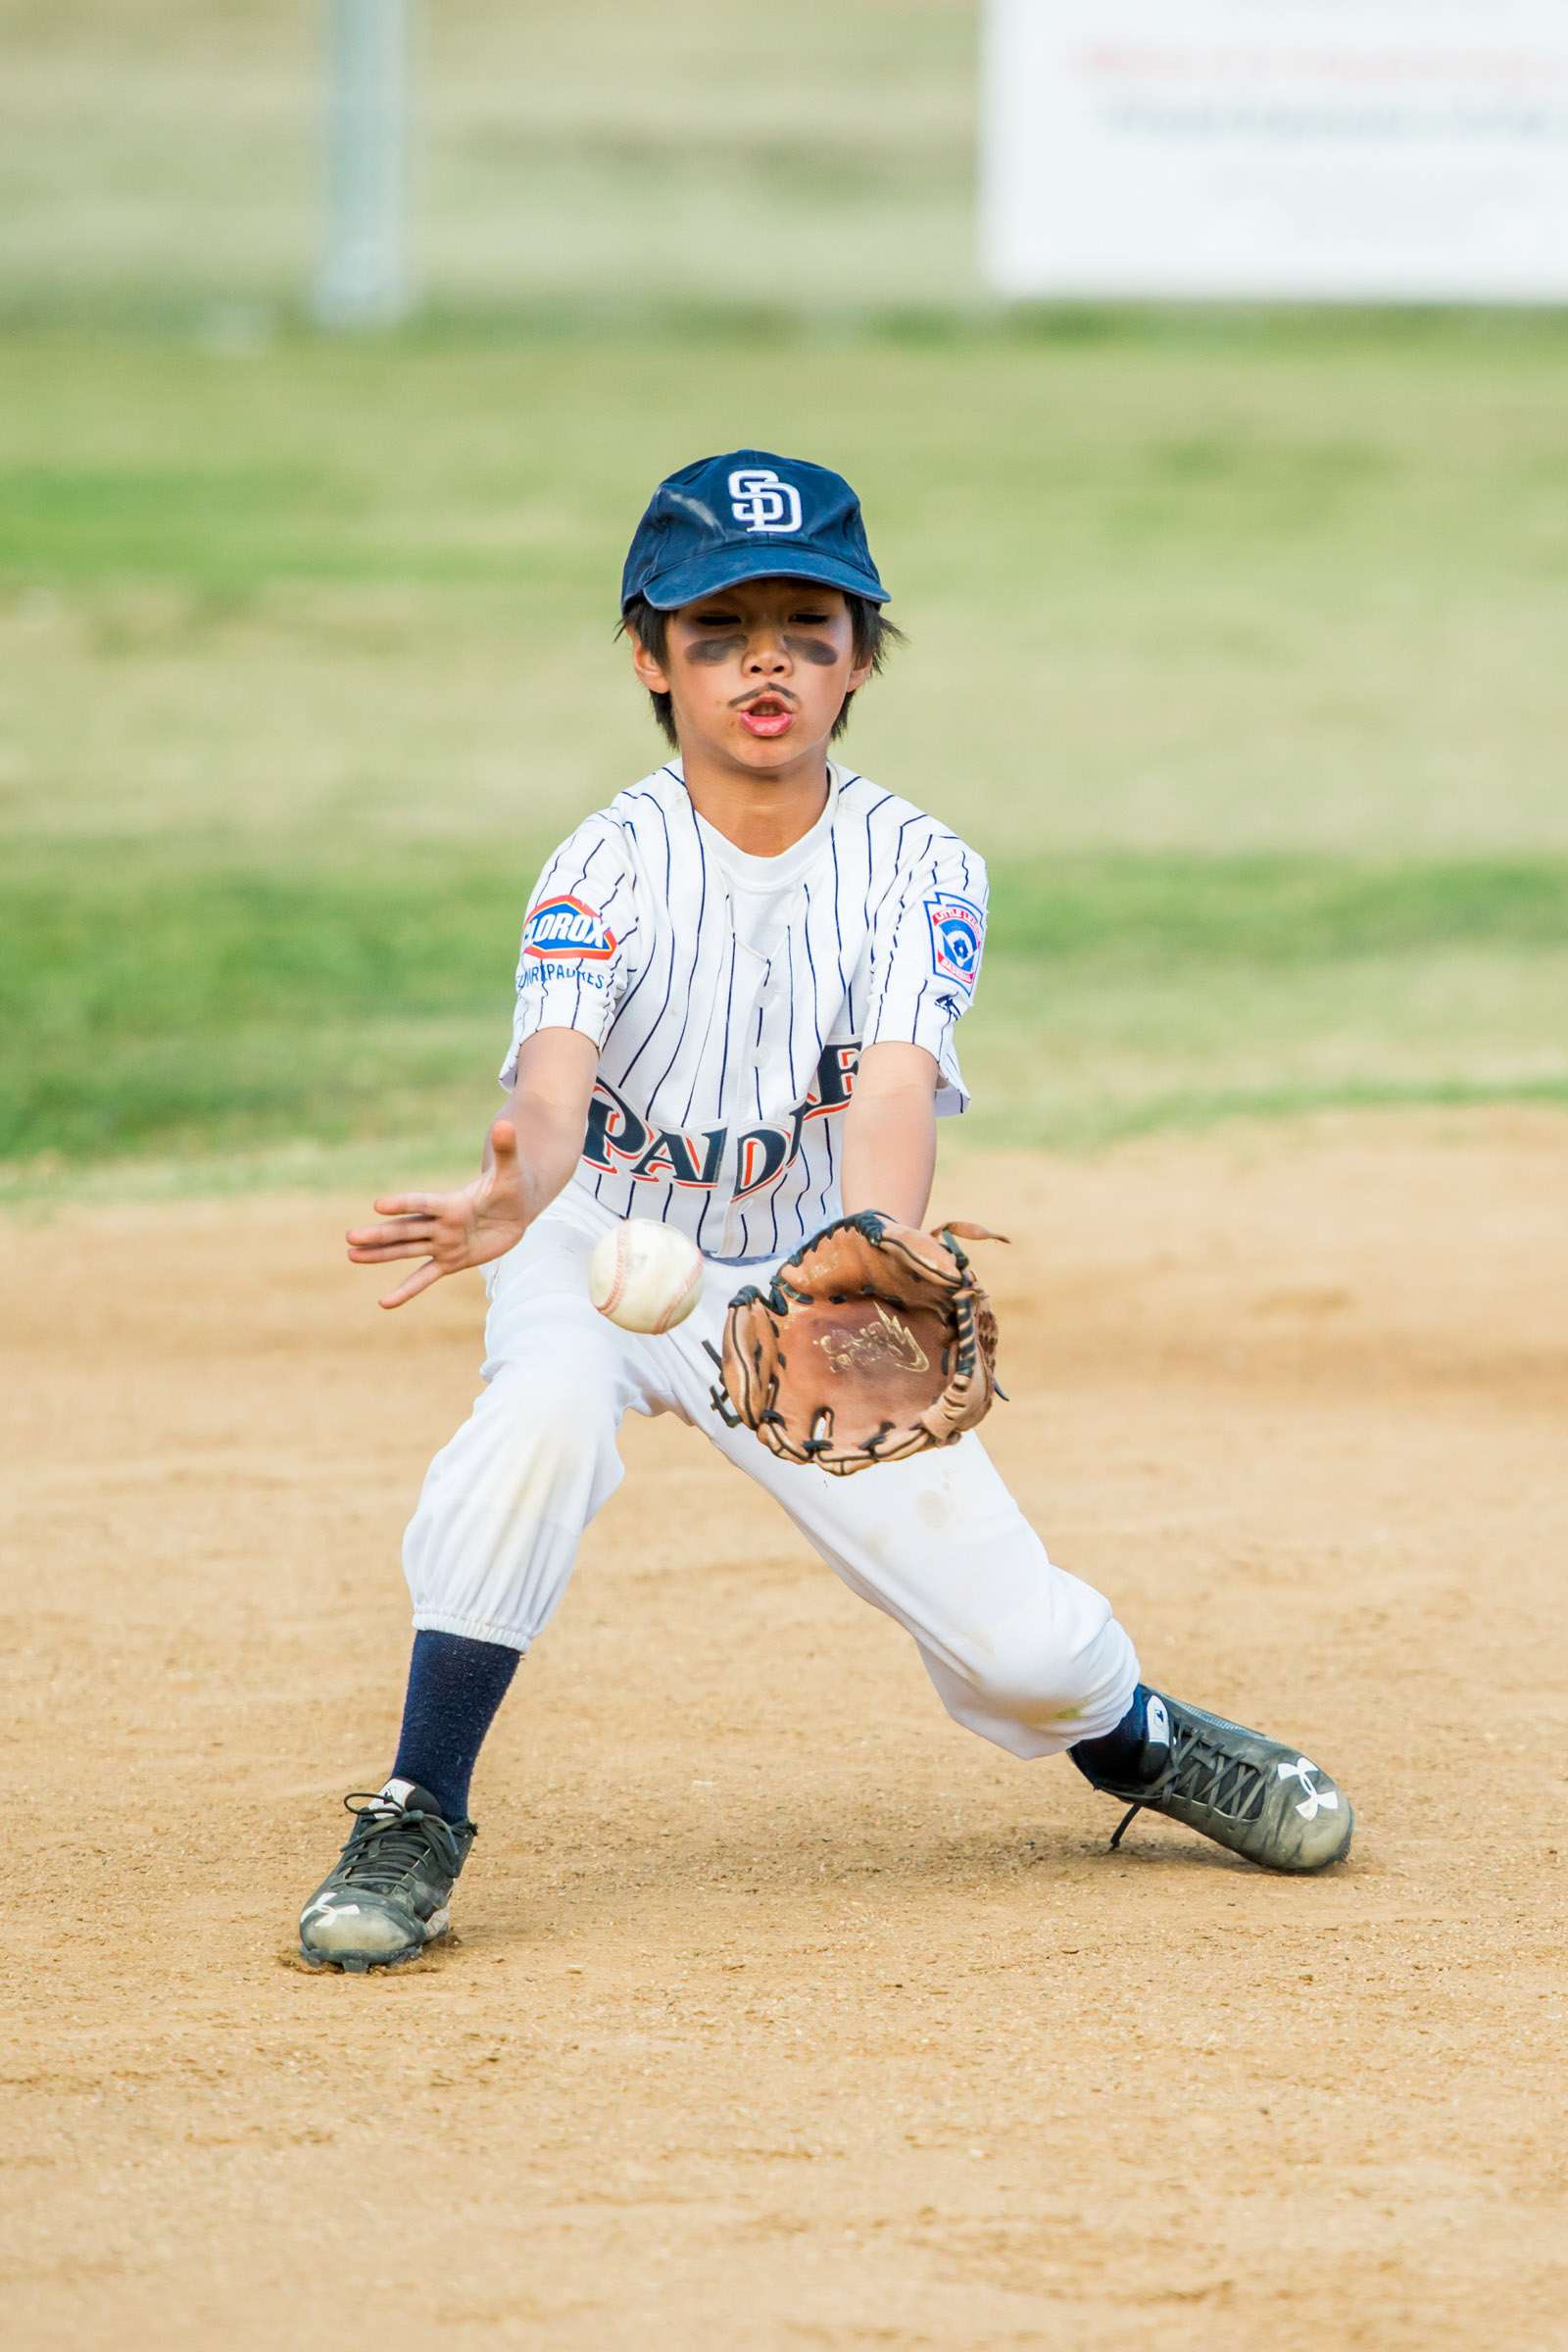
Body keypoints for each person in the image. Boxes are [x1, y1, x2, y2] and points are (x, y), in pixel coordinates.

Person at [298, 451, 1352, 1972]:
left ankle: (1137, 1743)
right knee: (528, 1435)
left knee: (1028, 1645)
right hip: (591, 1250)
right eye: (719, 628)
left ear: (863, 656)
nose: (765, 660)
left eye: (807, 622)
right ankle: (418, 1806)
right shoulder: (602, 864)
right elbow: (548, 1086)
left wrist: (870, 1269)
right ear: (652, 660)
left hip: (808, 1279)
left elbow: (894, 1085)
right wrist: (518, 1190)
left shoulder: (921, 865)